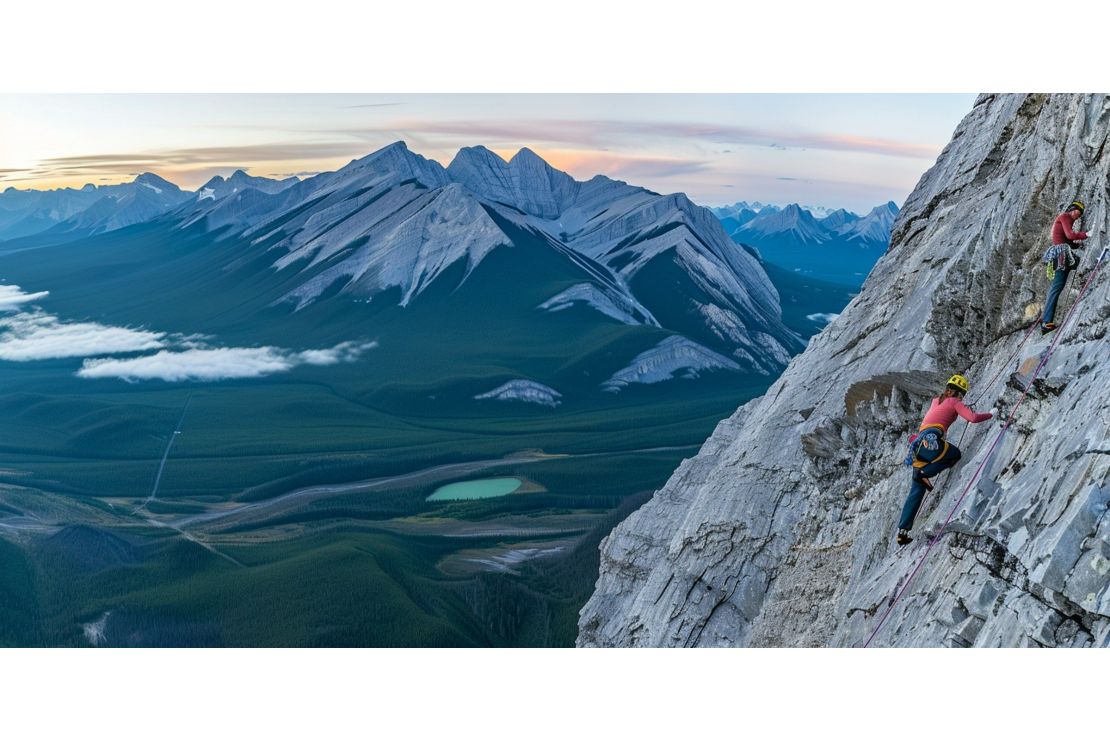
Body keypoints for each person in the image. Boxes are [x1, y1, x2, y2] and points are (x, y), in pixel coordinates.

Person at [896, 374, 993, 545]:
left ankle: (902, 533)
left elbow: (938, 416)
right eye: (962, 394)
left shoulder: (936, 400)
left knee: (916, 492)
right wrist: (991, 414)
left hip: (918, 445)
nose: (962, 397)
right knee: (955, 454)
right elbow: (973, 418)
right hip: (932, 442)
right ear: (959, 393)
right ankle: (925, 473)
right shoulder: (954, 402)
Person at [1041, 200, 1089, 334]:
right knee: (1056, 287)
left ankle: (1046, 320)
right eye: (1077, 213)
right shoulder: (1065, 216)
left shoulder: (1065, 219)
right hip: (1061, 256)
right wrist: (1086, 235)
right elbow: (1070, 235)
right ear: (1072, 209)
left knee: (1057, 287)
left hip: (1061, 254)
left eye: (1079, 216)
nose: (1077, 217)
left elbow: (1068, 240)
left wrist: (1078, 245)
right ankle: (1046, 321)